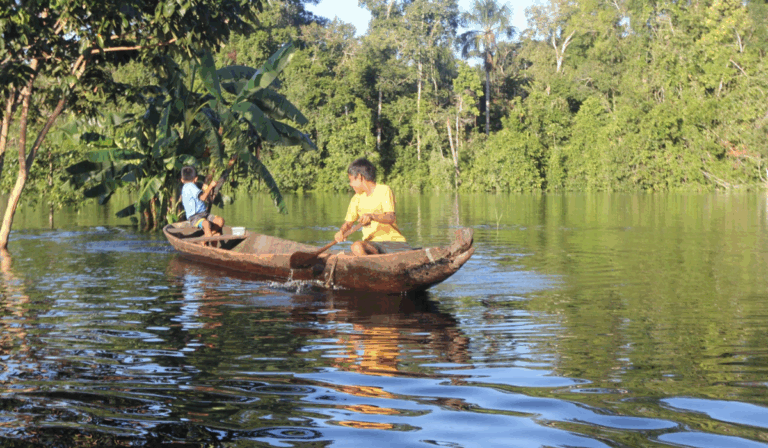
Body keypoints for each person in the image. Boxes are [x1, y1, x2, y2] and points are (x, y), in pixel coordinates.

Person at [334, 158, 410, 256]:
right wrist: (342, 231)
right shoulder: (356, 199)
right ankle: (371, 265)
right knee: (356, 247)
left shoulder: (384, 190)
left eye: (351, 180)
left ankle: (370, 266)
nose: (350, 184)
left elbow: (390, 217)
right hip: (372, 245)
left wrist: (372, 216)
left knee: (356, 247)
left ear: (360, 177)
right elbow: (348, 224)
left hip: (393, 243)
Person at [180, 166, 225, 239]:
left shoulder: (187, 186)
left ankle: (207, 237)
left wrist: (205, 187)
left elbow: (199, 186)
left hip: (205, 214)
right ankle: (207, 239)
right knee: (207, 224)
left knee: (220, 221)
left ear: (182, 180)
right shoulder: (190, 186)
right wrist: (210, 186)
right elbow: (203, 197)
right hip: (195, 217)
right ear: (196, 179)